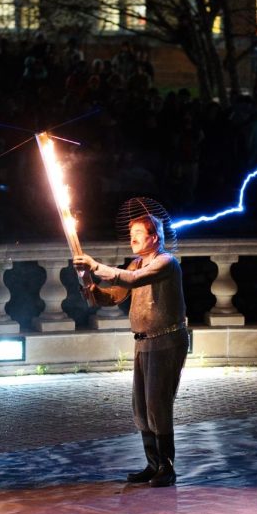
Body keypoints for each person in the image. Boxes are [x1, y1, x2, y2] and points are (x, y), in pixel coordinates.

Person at [74, 202, 188, 488]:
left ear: (154, 238)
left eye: (138, 233)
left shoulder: (165, 263)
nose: (132, 239)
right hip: (143, 342)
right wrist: (91, 288)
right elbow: (115, 295)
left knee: (157, 405)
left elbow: (135, 280)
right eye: (131, 234)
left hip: (167, 340)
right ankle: (152, 465)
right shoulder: (135, 262)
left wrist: (96, 265)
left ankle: (167, 468)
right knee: (141, 406)